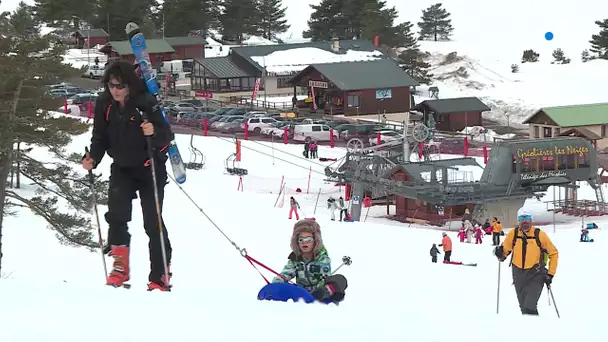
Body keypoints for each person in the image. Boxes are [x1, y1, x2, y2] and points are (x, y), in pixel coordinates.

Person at [81, 60, 173, 291]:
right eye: (111, 85)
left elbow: (166, 135)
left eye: (120, 86)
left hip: (149, 166)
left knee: (153, 222)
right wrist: (93, 157)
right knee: (116, 215)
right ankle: (120, 268)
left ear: (129, 85)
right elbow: (100, 137)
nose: (115, 90)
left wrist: (154, 132)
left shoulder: (145, 103)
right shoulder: (105, 104)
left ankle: (160, 274)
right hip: (121, 166)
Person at [494, 209, 558, 315]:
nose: (525, 222)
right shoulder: (513, 234)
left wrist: (550, 274)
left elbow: (554, 253)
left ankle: (535, 328)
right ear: (518, 221)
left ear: (531, 220)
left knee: (530, 306)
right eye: (521, 219)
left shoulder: (539, 235)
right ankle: (528, 329)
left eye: (527, 218)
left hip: (536, 273)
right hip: (518, 273)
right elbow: (504, 253)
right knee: (523, 307)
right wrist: (499, 253)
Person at [272, 220, 348, 302]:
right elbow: (286, 273)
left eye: (308, 239)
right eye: (301, 240)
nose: (304, 243)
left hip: (319, 293)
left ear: (315, 241)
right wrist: (278, 282)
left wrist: (320, 291)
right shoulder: (295, 258)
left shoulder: (322, 258)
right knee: (286, 287)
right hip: (301, 293)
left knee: (340, 279)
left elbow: (324, 278)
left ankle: (327, 292)